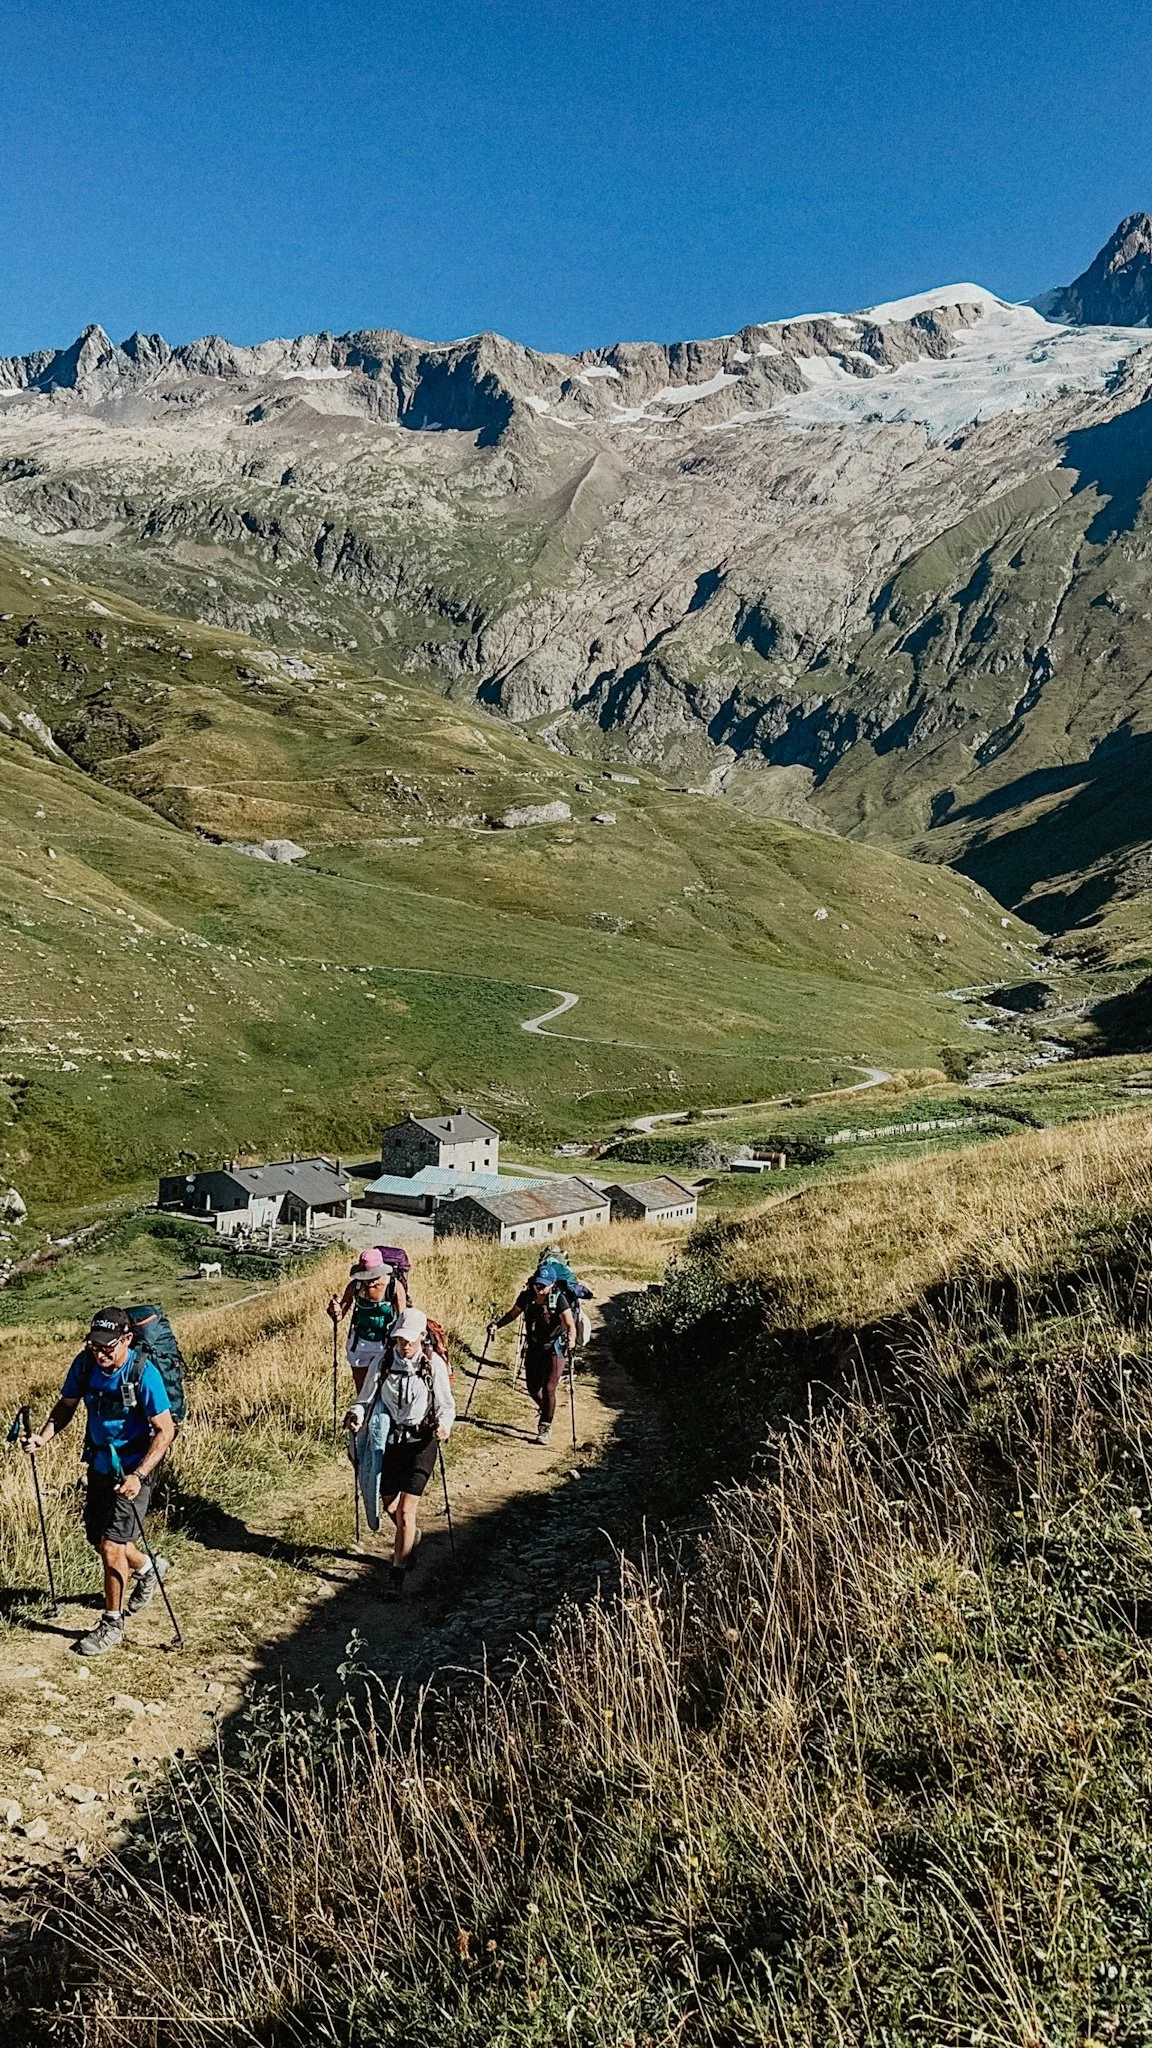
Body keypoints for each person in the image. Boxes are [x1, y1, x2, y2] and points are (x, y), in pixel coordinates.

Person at [23, 1306, 176, 1657]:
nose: (100, 1353)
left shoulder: (143, 1373)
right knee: (97, 1537)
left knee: (111, 1546)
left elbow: (165, 1430)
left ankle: (111, 1623)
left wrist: (139, 1475)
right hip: (99, 1466)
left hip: (134, 1471)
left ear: (126, 1340)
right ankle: (149, 1569)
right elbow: (66, 1405)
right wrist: (42, 1438)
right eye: (95, 1346)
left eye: (108, 1347)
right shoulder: (86, 1364)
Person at [344, 1307, 454, 1600]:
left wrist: (444, 1426)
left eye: (409, 1339)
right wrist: (356, 1415)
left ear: (421, 1336)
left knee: (406, 1511)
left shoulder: (434, 1365)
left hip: (422, 1442)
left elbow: (446, 1405)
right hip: (392, 1440)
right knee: (391, 1505)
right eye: (399, 1339)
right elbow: (364, 1400)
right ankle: (411, 1536)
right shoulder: (382, 1362)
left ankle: (397, 1574)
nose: (404, 1345)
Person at [488, 1273, 576, 1445]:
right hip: (534, 1346)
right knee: (533, 1388)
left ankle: (545, 1427)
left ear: (551, 1285)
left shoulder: (559, 1299)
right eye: (537, 1284)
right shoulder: (527, 1297)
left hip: (554, 1347)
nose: (539, 1288)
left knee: (549, 1387)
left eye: (543, 1285)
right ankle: (547, 1411)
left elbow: (569, 1324)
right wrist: (496, 1325)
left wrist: (571, 1339)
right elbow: (513, 1314)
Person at [328, 1247, 408, 1394]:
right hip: (360, 1343)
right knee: (362, 1388)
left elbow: (403, 1319)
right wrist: (334, 1310)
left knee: (385, 1386)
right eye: (366, 1277)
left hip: (385, 1343)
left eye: (374, 1277)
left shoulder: (394, 1287)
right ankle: (365, 1415)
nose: (369, 1282)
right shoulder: (355, 1286)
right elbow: (339, 1317)